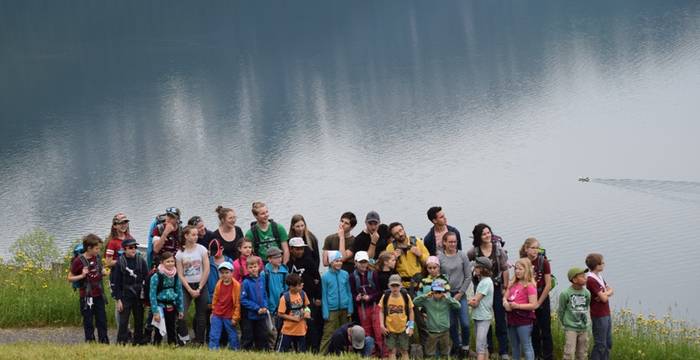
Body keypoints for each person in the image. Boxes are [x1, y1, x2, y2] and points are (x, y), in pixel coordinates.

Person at [467, 223, 509, 359]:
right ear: (478, 236)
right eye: (484, 234)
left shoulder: (498, 250)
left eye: (488, 232)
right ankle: (488, 349)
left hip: (496, 287)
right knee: (484, 317)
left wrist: (505, 288)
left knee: (500, 318)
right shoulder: (474, 251)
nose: (487, 235)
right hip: (480, 288)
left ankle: (503, 351)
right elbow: (467, 264)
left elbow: (505, 269)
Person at [68, 234, 109, 344]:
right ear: (89, 248)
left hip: (99, 295)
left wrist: (103, 272)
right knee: (88, 321)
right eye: (96, 249)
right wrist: (81, 276)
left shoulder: (98, 258)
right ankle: (90, 343)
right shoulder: (78, 261)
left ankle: (104, 343)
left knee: (102, 321)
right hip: (86, 297)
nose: (98, 251)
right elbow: (69, 278)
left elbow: (100, 269)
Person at [438, 232, 472, 357]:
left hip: (460, 293)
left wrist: (460, 293)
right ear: (444, 243)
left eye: (455, 241)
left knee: (465, 323)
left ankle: (466, 346)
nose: (453, 244)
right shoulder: (440, 258)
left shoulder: (462, 255)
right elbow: (438, 277)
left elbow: (468, 276)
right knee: (452, 324)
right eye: (450, 242)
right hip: (447, 295)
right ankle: (457, 345)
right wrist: (443, 292)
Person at [287, 237, 323, 353]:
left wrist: (318, 297)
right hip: (294, 300)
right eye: (297, 249)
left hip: (309, 299)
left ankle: (315, 349)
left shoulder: (309, 261)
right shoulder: (289, 263)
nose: (299, 251)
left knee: (311, 323)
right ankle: (300, 348)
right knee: (297, 322)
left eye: (301, 249)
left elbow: (317, 278)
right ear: (291, 249)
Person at [176, 225, 210, 345]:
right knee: (182, 314)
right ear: (186, 236)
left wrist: (200, 287)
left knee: (201, 314)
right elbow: (180, 274)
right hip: (186, 287)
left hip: (201, 285)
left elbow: (206, 269)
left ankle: (200, 340)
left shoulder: (202, 249)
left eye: (197, 235)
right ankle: (183, 338)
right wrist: (190, 290)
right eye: (193, 235)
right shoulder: (180, 253)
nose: (196, 237)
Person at [520, 237, 553, 360]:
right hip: (528, 301)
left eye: (537, 248)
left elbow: (548, 284)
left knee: (545, 330)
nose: (536, 251)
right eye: (533, 248)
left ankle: (548, 356)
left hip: (542, 299)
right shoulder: (523, 262)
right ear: (526, 249)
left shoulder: (543, 262)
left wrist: (538, 302)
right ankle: (536, 355)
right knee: (533, 330)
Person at [111, 238, 148, 345]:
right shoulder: (120, 263)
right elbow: (116, 283)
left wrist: (146, 297)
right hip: (125, 296)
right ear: (124, 249)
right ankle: (121, 342)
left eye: (135, 247)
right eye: (131, 248)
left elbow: (146, 278)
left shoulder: (141, 261)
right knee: (123, 322)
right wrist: (118, 299)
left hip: (138, 296)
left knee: (139, 320)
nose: (133, 250)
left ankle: (138, 341)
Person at [412, 279, 461, 359]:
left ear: (443, 292)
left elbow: (458, 306)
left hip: (444, 330)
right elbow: (415, 302)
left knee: (444, 353)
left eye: (440, 292)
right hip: (432, 331)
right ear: (432, 292)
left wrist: (448, 298)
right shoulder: (428, 300)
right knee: (430, 353)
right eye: (436, 292)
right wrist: (425, 296)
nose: (438, 294)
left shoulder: (446, 301)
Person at [503, 258, 538, 360]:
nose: (517, 271)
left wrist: (517, 306)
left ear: (526, 270)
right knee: (514, 346)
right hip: (511, 319)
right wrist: (505, 304)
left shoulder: (530, 286)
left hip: (524, 320)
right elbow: (505, 297)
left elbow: (533, 305)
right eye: (516, 269)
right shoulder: (512, 284)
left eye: (520, 269)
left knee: (526, 345)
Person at [349, 251, 383, 357]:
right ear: (355, 262)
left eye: (365, 262)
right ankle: (370, 354)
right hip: (362, 308)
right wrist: (357, 298)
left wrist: (370, 297)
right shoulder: (352, 277)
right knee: (367, 331)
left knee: (378, 331)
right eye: (361, 262)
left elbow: (380, 292)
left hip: (374, 306)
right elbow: (353, 293)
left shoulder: (374, 274)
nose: (363, 264)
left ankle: (383, 354)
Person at [320, 251, 354, 353]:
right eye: (336, 261)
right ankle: (322, 354)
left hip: (344, 308)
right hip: (331, 309)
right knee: (328, 333)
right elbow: (324, 295)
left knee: (345, 333)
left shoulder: (345, 274)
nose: (339, 263)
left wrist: (350, 307)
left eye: (340, 261)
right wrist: (325, 311)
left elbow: (348, 291)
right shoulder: (325, 276)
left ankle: (343, 353)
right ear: (330, 262)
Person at [149, 251, 185, 345]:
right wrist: (155, 312)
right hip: (160, 306)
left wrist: (180, 309)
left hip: (171, 305)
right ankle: (156, 345)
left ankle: (172, 345)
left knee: (172, 327)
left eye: (172, 261)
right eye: (168, 261)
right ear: (162, 262)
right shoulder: (156, 276)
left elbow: (179, 292)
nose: (170, 264)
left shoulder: (175, 275)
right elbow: (152, 295)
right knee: (158, 329)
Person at [385, 222, 429, 292]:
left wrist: (420, 255)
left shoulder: (417, 242)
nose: (400, 234)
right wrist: (394, 259)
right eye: (396, 233)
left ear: (403, 229)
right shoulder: (390, 248)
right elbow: (387, 269)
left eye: (401, 230)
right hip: (402, 286)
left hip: (419, 283)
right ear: (393, 237)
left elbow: (429, 262)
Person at [558, 267, 591, 360]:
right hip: (570, 327)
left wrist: (587, 324)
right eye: (582, 276)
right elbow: (561, 310)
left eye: (585, 276)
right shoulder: (565, 293)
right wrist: (565, 322)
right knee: (569, 352)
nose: (585, 278)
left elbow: (586, 307)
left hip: (583, 327)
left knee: (583, 353)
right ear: (574, 279)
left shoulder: (587, 293)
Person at [379, 274, 414, 360]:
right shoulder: (385, 297)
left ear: (401, 285)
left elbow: (411, 311)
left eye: (397, 285)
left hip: (403, 328)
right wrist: (382, 326)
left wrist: (411, 327)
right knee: (391, 351)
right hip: (390, 329)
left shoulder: (406, 296)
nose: (395, 288)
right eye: (392, 286)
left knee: (404, 350)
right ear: (389, 286)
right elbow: (381, 311)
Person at [586, 253, 614, 360]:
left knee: (608, 342)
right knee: (600, 344)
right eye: (602, 263)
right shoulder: (591, 280)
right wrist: (604, 294)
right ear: (597, 265)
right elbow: (604, 298)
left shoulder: (599, 277)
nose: (604, 264)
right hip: (598, 314)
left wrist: (604, 293)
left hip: (606, 312)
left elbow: (611, 290)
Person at [206, 239, 234, 346]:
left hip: (227, 298)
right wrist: (209, 299)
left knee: (227, 322)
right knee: (212, 322)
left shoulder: (229, 261)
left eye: (216, 251)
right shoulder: (208, 261)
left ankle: (225, 343)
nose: (214, 255)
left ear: (222, 249)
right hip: (212, 296)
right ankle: (211, 342)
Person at [208, 261, 241, 350]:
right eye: (222, 273)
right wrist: (213, 311)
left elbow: (238, 303)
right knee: (214, 333)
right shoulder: (219, 283)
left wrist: (235, 317)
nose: (224, 275)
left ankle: (235, 349)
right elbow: (215, 298)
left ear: (232, 273)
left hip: (229, 315)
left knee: (232, 334)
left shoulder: (236, 285)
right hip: (217, 313)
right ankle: (213, 349)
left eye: (227, 272)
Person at [240, 256, 271, 351]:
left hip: (262, 314)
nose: (253, 269)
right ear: (247, 268)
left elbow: (265, 295)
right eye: (250, 267)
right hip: (250, 315)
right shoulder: (246, 282)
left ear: (259, 267)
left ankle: (263, 351)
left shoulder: (262, 280)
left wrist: (265, 306)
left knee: (262, 335)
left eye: (255, 266)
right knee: (248, 335)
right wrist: (257, 308)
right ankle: (246, 351)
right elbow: (243, 299)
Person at [277, 273, 311, 352]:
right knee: (283, 351)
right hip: (288, 330)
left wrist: (307, 312)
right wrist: (293, 318)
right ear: (291, 287)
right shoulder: (285, 298)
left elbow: (306, 306)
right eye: (299, 285)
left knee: (301, 352)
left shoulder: (302, 294)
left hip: (301, 330)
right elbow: (280, 313)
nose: (301, 286)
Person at [469, 257, 495, 360]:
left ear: (482, 268)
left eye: (476, 267)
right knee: (483, 345)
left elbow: (475, 302)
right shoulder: (483, 281)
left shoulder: (486, 282)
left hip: (483, 317)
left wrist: (466, 302)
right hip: (479, 316)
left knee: (479, 347)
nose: (474, 268)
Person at [264, 246, 288, 348]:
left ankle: (279, 349)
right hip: (269, 307)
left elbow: (287, 290)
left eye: (280, 256)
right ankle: (271, 350)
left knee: (281, 330)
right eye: (276, 257)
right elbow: (263, 291)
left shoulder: (284, 272)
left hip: (281, 307)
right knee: (271, 331)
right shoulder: (264, 273)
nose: (279, 259)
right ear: (269, 259)